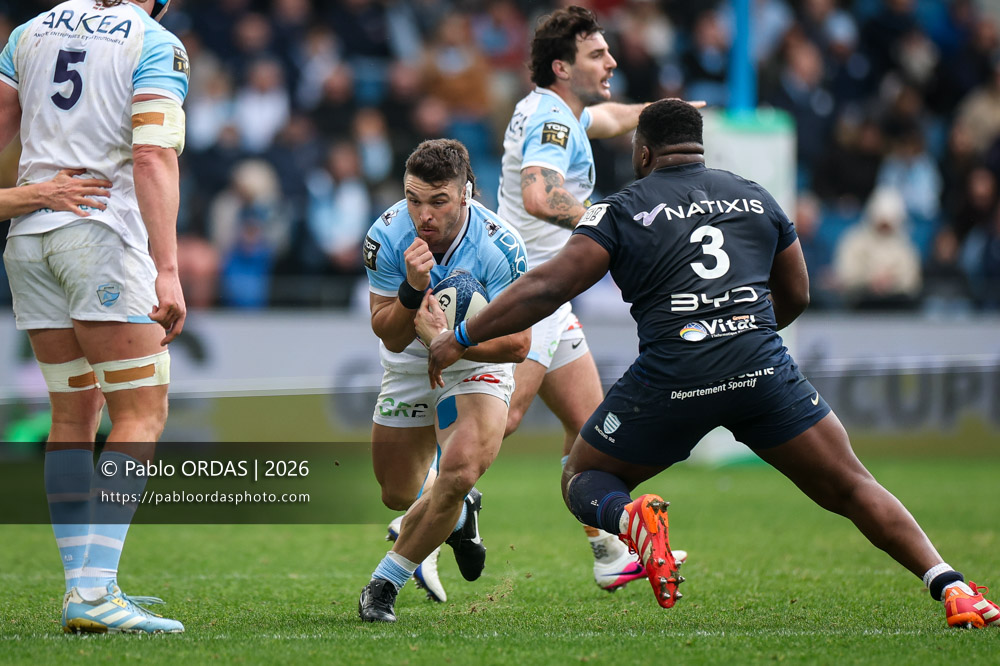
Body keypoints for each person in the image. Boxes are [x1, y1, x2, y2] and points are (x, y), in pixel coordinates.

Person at [428, 99, 999, 628]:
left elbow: (547, 286)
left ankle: (631, 521)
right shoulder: (755, 196)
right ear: (698, 146)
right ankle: (953, 586)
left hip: (673, 377)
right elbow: (797, 294)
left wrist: (462, 335)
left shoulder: (621, 210)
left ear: (643, 152)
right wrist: (743, 336)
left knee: (582, 477)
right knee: (852, 484)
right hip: (761, 371)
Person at [0, 0, 189, 634]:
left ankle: (82, 586)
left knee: (72, 415)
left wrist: (23, 196)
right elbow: (152, 157)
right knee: (141, 413)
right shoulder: (154, 41)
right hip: (101, 236)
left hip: (29, 240)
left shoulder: (29, 31)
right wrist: (167, 267)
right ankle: (94, 589)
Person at [497, 5, 695, 592]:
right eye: (597, 54)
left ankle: (610, 553)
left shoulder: (560, 111)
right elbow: (539, 195)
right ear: (562, 66)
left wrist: (660, 113)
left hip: (550, 292)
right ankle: (424, 516)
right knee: (500, 418)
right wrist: (610, 224)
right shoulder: (553, 122)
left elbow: (608, 118)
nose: (611, 61)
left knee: (589, 431)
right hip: (531, 288)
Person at [358, 138, 530, 623]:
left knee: (457, 472)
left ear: (466, 194)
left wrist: (454, 342)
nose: (423, 215)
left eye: (438, 201)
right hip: (412, 359)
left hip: (476, 358)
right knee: (397, 491)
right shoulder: (385, 235)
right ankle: (459, 515)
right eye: (414, 200)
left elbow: (518, 344)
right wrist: (412, 291)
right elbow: (391, 336)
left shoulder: (501, 246)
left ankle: (383, 586)